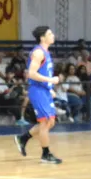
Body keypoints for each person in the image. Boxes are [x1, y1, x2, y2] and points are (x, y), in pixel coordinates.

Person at [15, 26, 62, 164]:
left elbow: (42, 72)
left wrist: (49, 88)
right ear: (42, 38)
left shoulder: (46, 52)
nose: (53, 35)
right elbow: (31, 74)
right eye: (50, 33)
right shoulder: (38, 52)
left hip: (44, 90)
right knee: (45, 122)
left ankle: (23, 138)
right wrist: (50, 80)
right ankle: (45, 154)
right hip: (37, 91)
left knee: (50, 122)